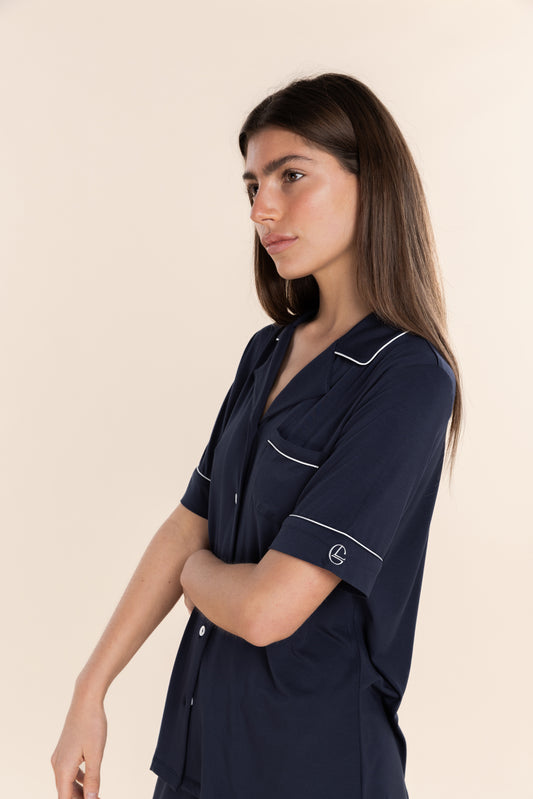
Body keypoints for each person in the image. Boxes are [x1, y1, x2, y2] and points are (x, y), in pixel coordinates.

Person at [51, 72, 463, 799]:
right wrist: (91, 689)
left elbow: (266, 608)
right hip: (200, 755)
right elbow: (190, 520)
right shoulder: (267, 353)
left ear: (372, 183)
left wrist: (193, 575)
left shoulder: (406, 378)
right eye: (251, 186)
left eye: (290, 176)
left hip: (314, 768)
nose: (262, 208)